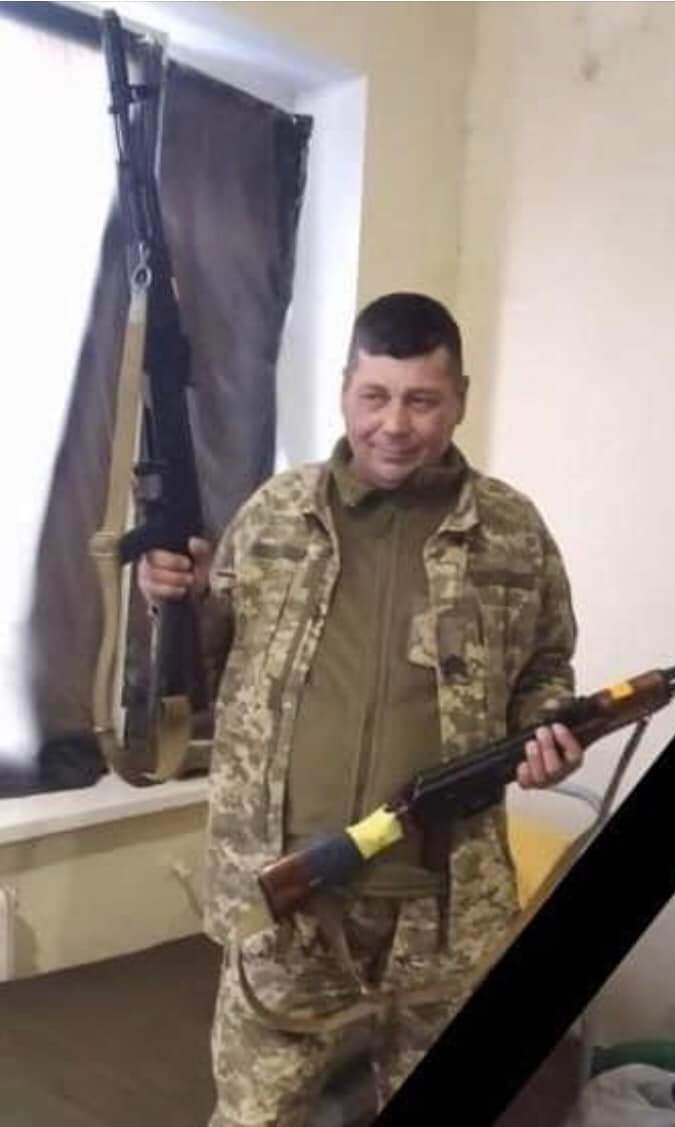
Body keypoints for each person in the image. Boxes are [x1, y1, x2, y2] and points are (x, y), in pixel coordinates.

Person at [138, 293, 583, 1127]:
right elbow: (196, 674)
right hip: (289, 892)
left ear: (460, 399)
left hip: (443, 904)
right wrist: (171, 602)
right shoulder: (275, 514)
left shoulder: (513, 532)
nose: (395, 424)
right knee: (258, 1114)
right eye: (375, 395)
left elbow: (545, 664)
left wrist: (550, 728)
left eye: (422, 399)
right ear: (345, 388)